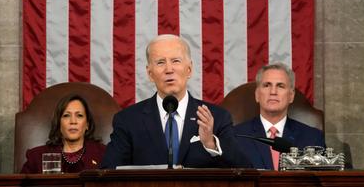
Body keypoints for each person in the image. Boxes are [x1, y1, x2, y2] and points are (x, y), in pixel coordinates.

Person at [101, 34, 251, 169]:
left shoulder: (217, 117)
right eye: (160, 62)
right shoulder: (128, 120)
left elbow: (244, 170)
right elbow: (108, 172)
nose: (169, 69)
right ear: (150, 73)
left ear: (189, 70)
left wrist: (211, 143)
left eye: (176, 61)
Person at [233, 62, 325, 170]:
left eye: (280, 86)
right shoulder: (235, 136)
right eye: (267, 85)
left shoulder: (312, 137)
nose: (273, 92)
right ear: (257, 95)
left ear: (291, 96)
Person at [21, 94, 106, 173]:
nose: (73, 121)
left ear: (87, 124)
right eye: (66, 115)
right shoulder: (36, 157)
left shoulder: (104, 154)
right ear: (59, 123)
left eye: (79, 115)